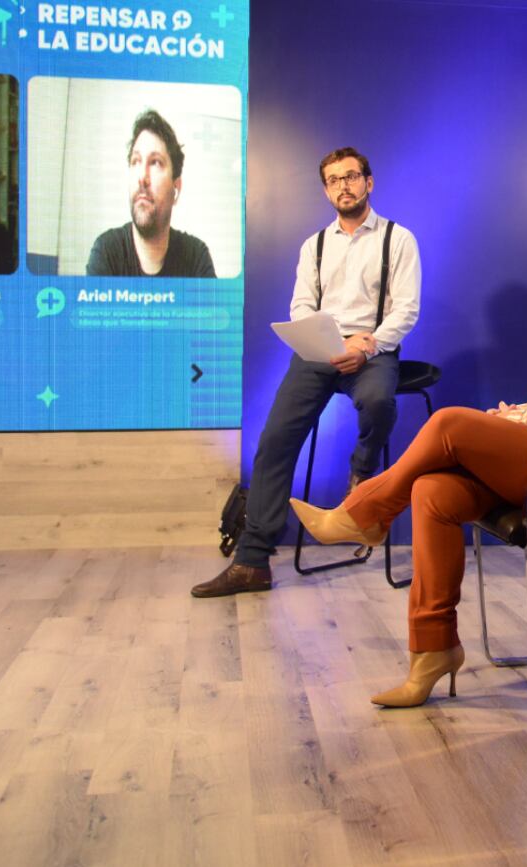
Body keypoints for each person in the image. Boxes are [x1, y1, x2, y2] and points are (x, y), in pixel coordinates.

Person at [293, 204, 527, 708]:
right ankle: (432, 651)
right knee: (434, 491)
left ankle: (366, 510)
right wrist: (515, 415)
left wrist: (513, 422)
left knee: (451, 423)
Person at [190, 147, 421, 598]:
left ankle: (362, 471)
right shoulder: (313, 246)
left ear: (369, 182)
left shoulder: (399, 239)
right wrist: (324, 340)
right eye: (334, 180)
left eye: (352, 177)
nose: (344, 186)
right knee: (274, 439)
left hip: (373, 349)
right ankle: (253, 561)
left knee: (377, 401)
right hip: (320, 353)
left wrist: (367, 343)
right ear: (326, 190)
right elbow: (300, 306)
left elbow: (406, 309)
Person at [87, 109, 217, 278]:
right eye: (136, 161)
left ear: (176, 188)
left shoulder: (196, 259)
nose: (142, 177)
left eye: (155, 162)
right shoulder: (107, 252)